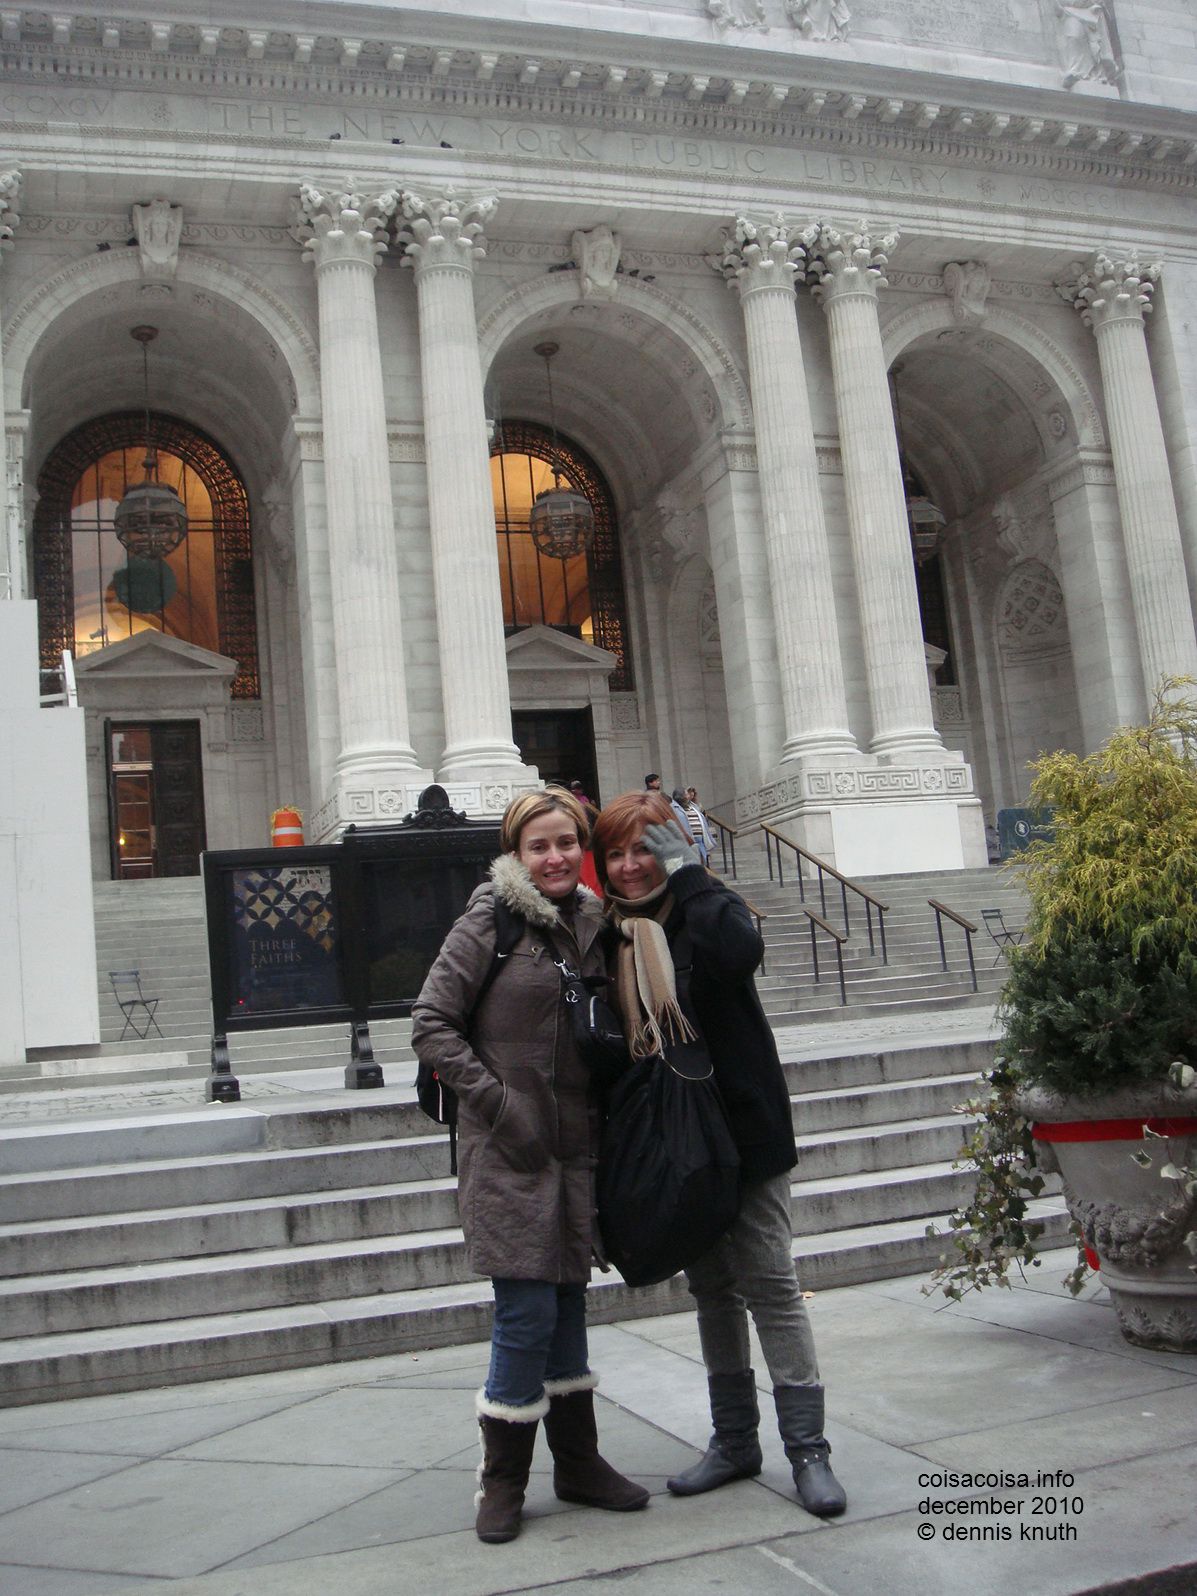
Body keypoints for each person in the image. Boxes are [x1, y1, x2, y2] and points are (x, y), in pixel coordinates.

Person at [590, 791, 847, 1519]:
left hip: (744, 1127)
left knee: (769, 1280)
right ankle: (734, 1441)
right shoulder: (607, 936)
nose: (630, 865)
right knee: (711, 1289)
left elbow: (739, 956)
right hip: (675, 1144)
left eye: (645, 848)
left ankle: (808, 1450)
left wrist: (690, 871)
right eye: (616, 852)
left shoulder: (708, 911)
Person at [411, 787, 649, 1544]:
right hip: (508, 1150)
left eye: (564, 844)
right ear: (515, 853)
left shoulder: (595, 921)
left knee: (568, 1305)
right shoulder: (490, 919)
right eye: (537, 846)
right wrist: (499, 1104)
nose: (553, 858)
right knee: (526, 1312)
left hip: (578, 1149)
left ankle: (577, 1463)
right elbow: (431, 1023)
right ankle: (502, 1481)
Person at [683, 785, 715, 867]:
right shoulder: (682, 806)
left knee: (703, 854)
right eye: (689, 794)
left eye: (692, 795)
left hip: (700, 834)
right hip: (691, 834)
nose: (691, 796)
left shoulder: (696, 805)